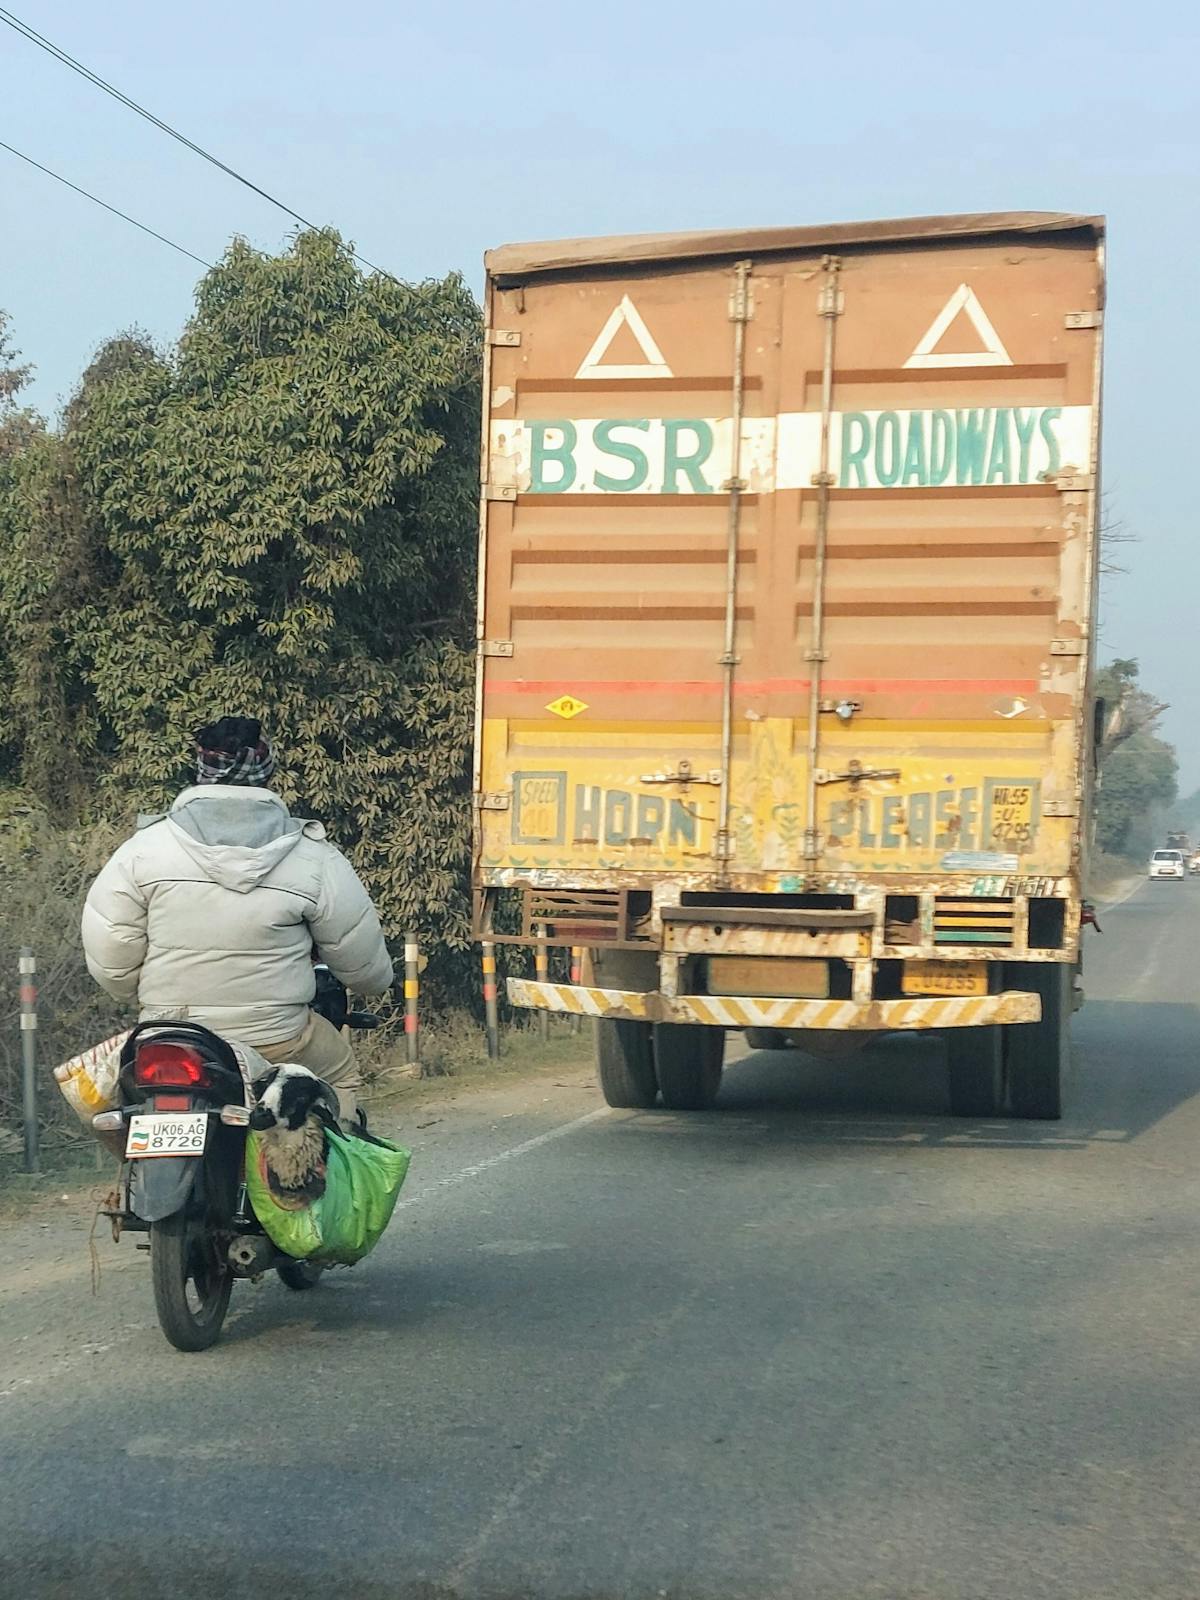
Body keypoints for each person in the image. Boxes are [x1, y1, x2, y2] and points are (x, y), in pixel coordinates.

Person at [81, 715, 393, 1123]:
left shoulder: (142, 850)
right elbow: (365, 968)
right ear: (267, 776)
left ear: (199, 772)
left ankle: (129, 1179)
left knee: (118, 1111)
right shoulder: (315, 858)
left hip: (171, 1035)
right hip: (278, 1039)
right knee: (341, 1075)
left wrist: (138, 993)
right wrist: (372, 983)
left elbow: (111, 959)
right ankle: (313, 1179)